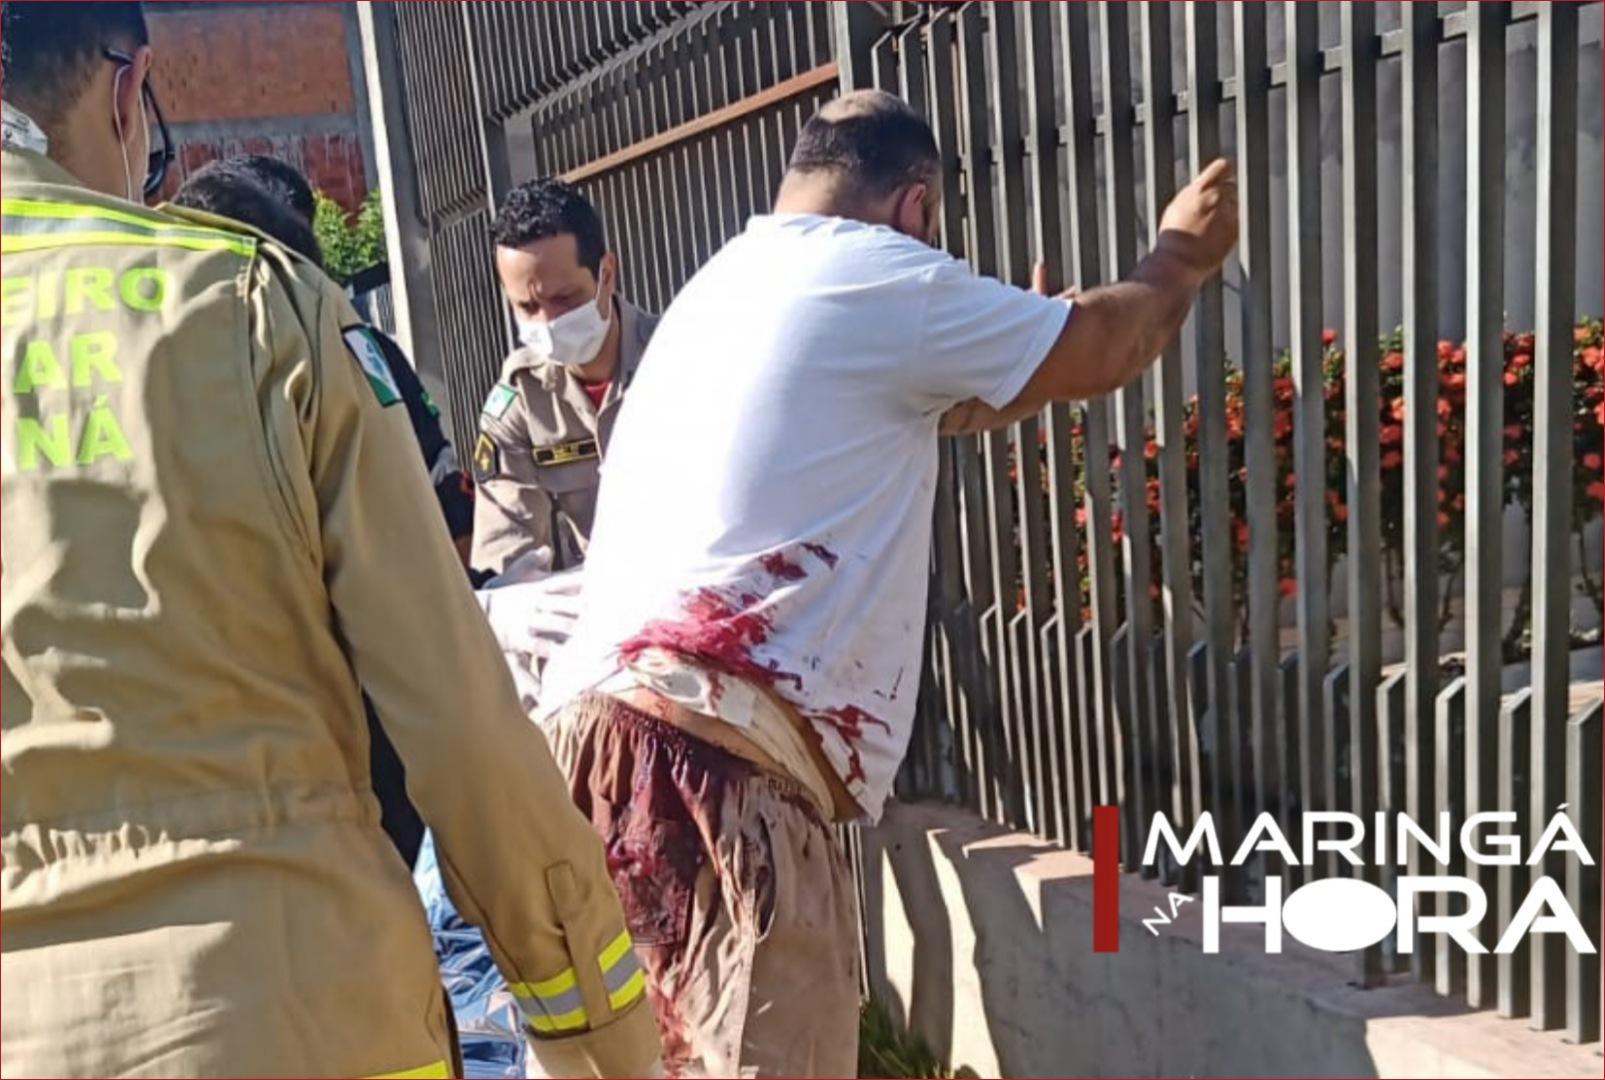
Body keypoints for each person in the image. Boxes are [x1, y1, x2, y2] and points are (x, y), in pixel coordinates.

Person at [0, 5, 659, 1077]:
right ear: (128, 94)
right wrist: (597, 1029)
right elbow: (457, 715)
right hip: (301, 1009)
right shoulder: (251, 308)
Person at [536, 90, 1238, 1076]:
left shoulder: (726, 289)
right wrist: (1181, 256)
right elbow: (1110, 346)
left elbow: (889, 417)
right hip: (711, 774)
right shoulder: (880, 275)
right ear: (915, 205)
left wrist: (1008, 356)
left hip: (591, 754)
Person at [471, 178, 659, 579]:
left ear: (607, 274)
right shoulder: (519, 401)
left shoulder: (676, 357)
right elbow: (505, 554)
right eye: (527, 305)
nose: (548, 323)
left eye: (565, 299)